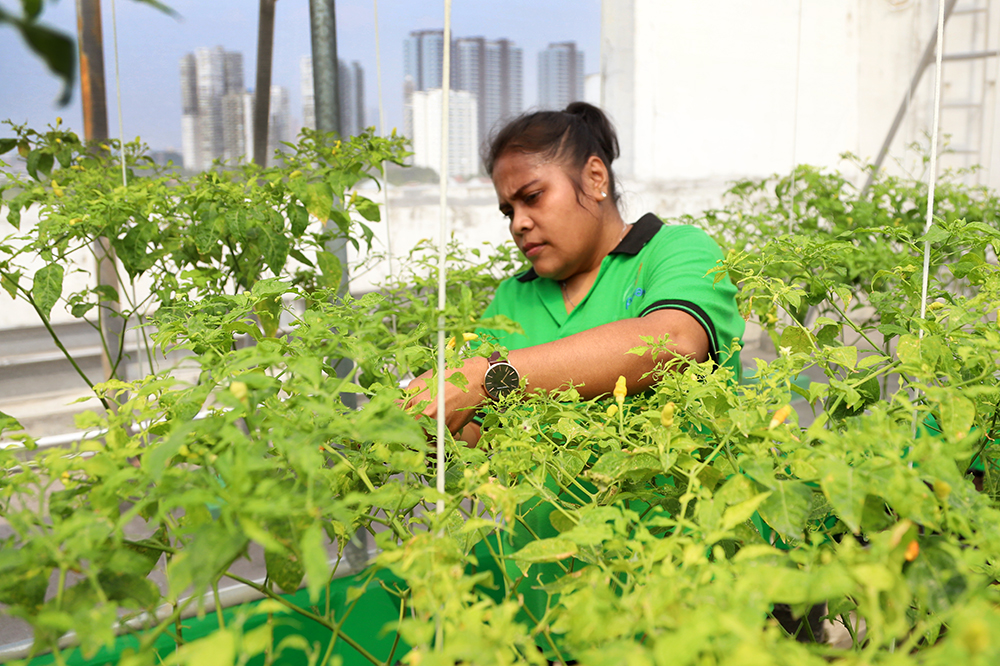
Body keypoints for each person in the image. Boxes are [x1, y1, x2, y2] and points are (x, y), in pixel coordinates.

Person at [407, 101, 744, 441]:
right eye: (509, 212)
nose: (519, 224)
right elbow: (479, 431)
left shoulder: (676, 248)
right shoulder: (514, 296)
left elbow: (673, 342)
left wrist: (489, 376)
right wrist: (422, 425)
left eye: (534, 196)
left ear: (595, 178)